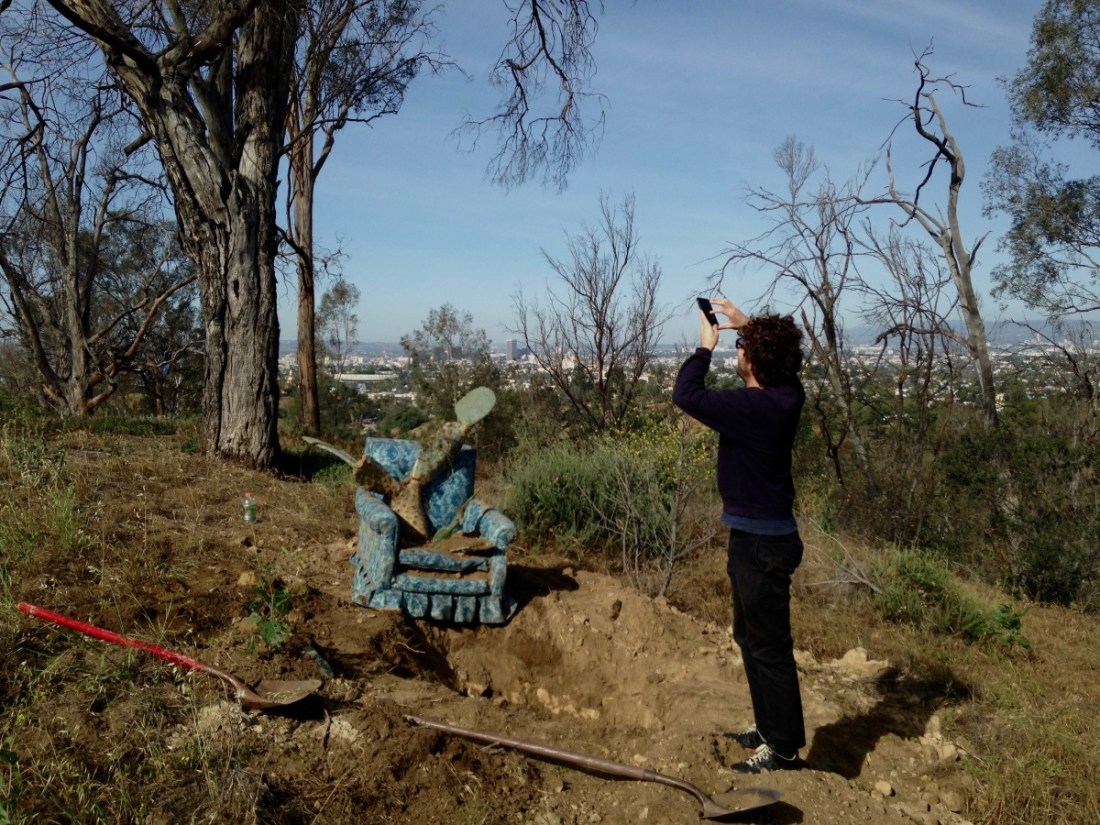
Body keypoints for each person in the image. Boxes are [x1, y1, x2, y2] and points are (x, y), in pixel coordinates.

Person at [672, 296, 806, 774]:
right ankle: (771, 729)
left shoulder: (753, 408)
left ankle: (785, 748)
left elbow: (686, 394)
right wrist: (748, 327)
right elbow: (783, 366)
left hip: (761, 544)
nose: (739, 351)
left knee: (768, 645)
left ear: (754, 361)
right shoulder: (787, 396)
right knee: (751, 637)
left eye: (744, 346)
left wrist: (705, 346)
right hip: (760, 537)